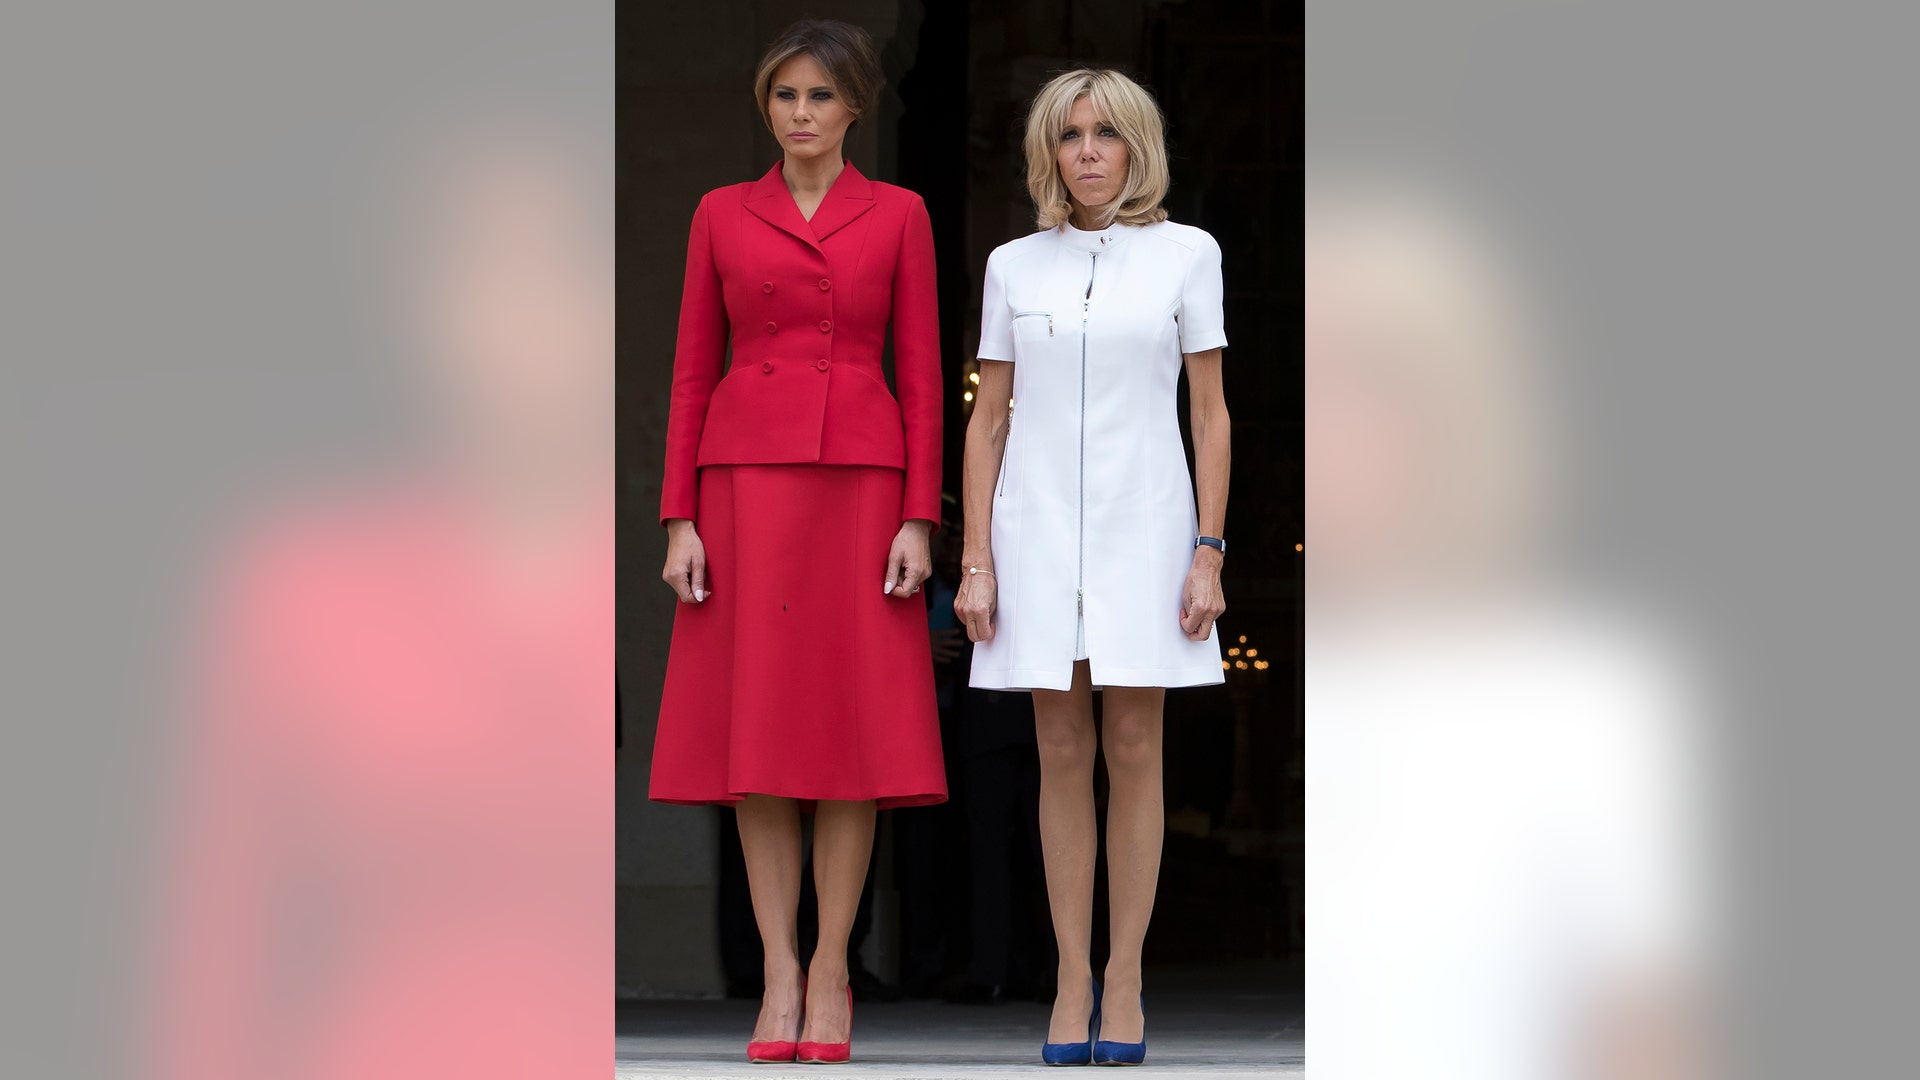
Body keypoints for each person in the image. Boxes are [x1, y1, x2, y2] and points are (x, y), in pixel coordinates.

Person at [646, 19, 946, 1067]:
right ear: (765, 109)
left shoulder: (900, 213)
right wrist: (678, 515)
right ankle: (777, 971)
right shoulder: (720, 214)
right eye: (785, 98)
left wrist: (922, 512)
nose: (802, 114)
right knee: (761, 742)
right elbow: (691, 368)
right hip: (744, 489)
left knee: (850, 742)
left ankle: (832, 968)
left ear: (855, 107)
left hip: (863, 486)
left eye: (820, 97)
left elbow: (921, 369)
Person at [953, 68, 1231, 1068]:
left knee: (1137, 746)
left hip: (1145, 523)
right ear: (1049, 151)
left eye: (1106, 133)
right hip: (1035, 529)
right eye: (1069, 134)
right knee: (1060, 750)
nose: (1087, 151)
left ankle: (1126, 976)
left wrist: (1209, 548)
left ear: (1137, 147)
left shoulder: (1187, 256)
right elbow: (988, 419)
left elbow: (1211, 414)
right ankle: (1071, 974)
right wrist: (976, 557)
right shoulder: (1012, 265)